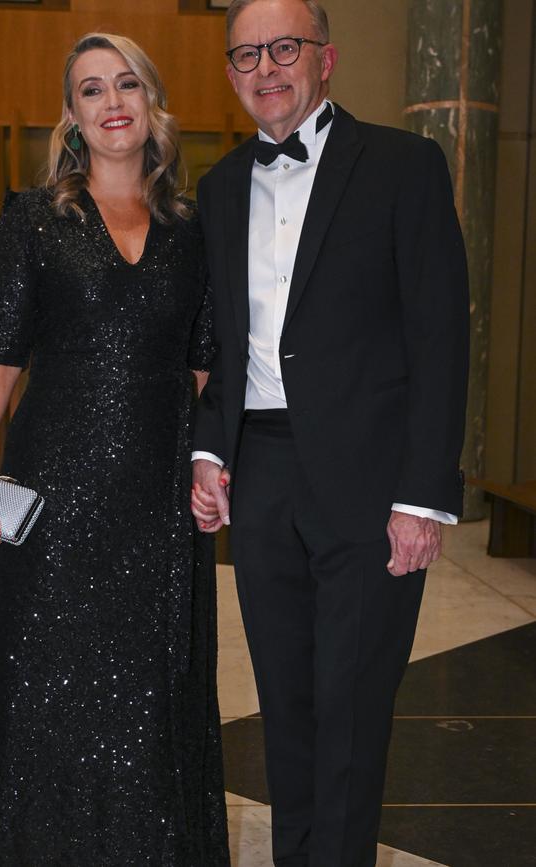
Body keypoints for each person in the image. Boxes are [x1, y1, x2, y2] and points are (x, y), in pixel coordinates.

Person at [190, 1, 469, 864]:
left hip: (371, 479)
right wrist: (209, 447)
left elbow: (440, 335)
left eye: (285, 48)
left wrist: (421, 496)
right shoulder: (220, 185)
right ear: (232, 72)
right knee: (286, 700)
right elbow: (213, 338)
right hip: (261, 473)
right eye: (247, 55)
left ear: (326, 57)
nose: (266, 69)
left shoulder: (402, 165)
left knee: (351, 703)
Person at [0, 32, 229, 866]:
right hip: (58, 497)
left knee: (152, 698)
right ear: (71, 116)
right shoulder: (33, 220)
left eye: (127, 86)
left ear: (152, 105)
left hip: (157, 505)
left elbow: (206, 367)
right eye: (92, 90)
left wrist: (215, 464)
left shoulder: (192, 228)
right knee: (49, 696)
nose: (113, 103)